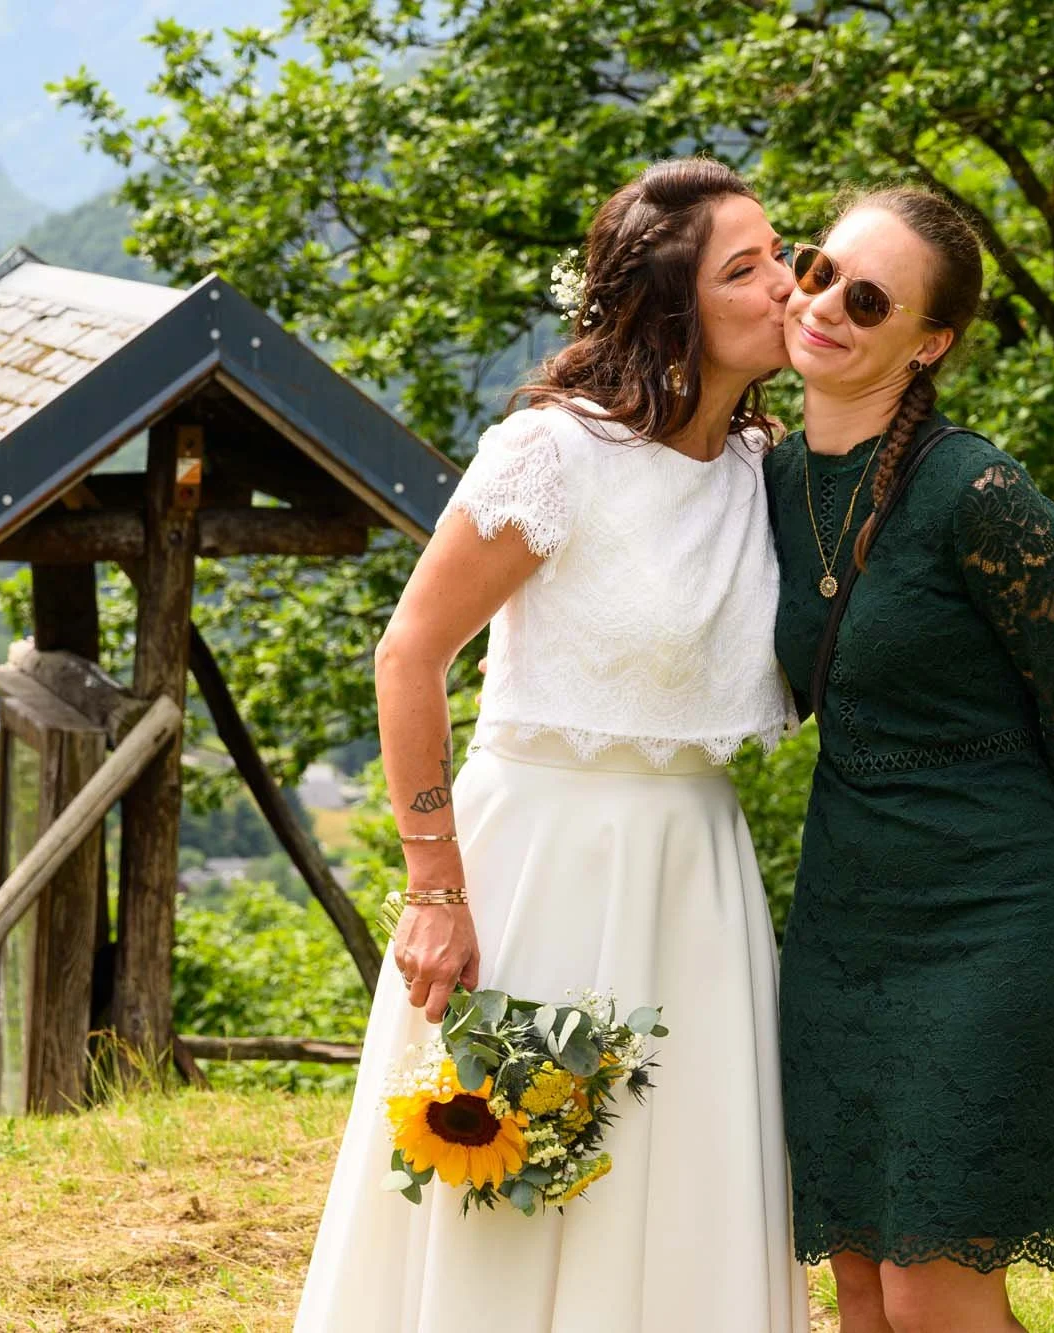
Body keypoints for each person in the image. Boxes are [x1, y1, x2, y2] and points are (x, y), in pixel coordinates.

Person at [295, 159, 809, 1331]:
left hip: (696, 874)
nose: (785, 284)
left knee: (684, 1186)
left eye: (780, 252)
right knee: (511, 1197)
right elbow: (407, 653)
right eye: (746, 268)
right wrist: (432, 887)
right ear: (670, 309)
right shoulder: (554, 454)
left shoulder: (760, 470)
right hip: (537, 864)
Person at [763, 188, 1054, 1333]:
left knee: (930, 1287)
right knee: (855, 1281)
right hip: (844, 910)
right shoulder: (769, 481)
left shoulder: (978, 493)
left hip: (992, 908)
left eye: (868, 297)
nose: (824, 303)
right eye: (816, 267)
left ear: (926, 342)